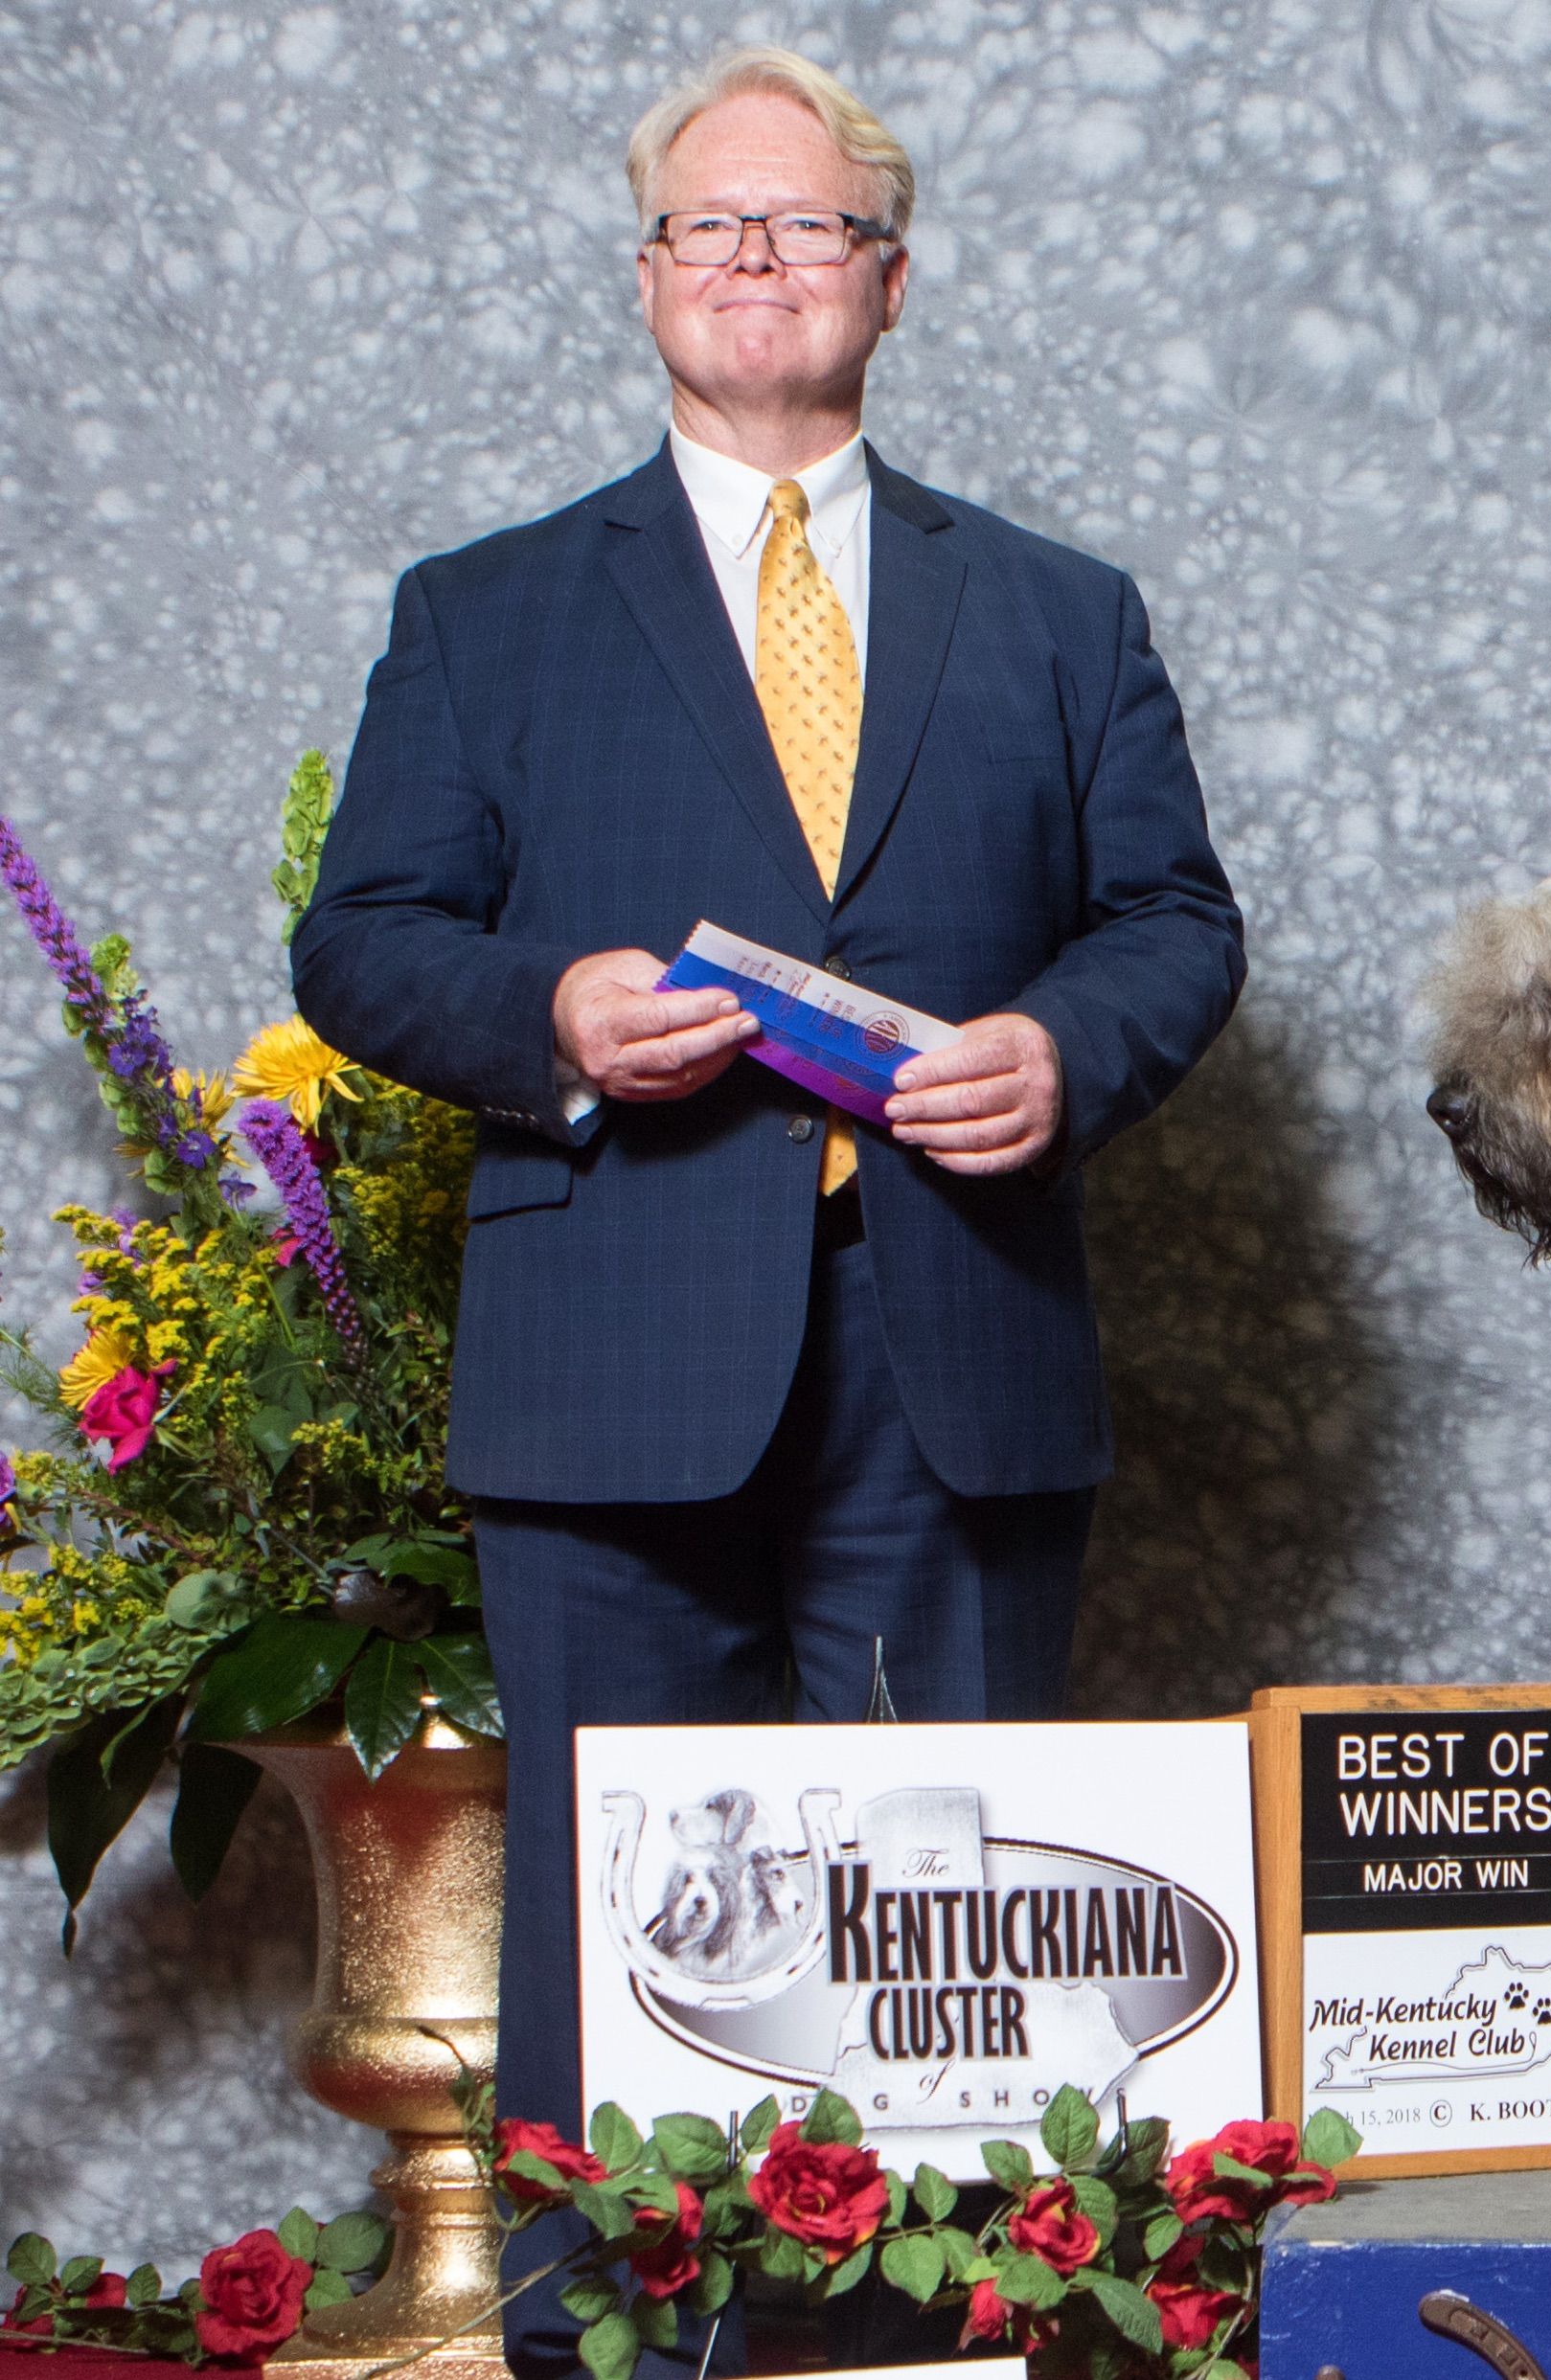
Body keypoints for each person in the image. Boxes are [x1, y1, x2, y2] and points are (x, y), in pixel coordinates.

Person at [291, 47, 1243, 2376]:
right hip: (613, 1354)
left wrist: (1070, 1048)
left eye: (802, 228)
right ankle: (612, 2354)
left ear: (888, 282)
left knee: (967, 1919)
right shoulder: (487, 610)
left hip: (962, 1353)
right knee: (618, 1940)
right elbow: (364, 940)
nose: (750, 263)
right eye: (704, 229)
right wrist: (553, 1016)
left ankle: (954, 2354)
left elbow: (1175, 927)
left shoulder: (1057, 608)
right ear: (644, 283)